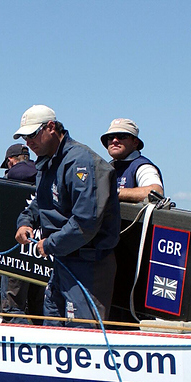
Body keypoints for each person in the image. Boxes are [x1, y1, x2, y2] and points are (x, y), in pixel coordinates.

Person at [13, 106, 120, 327]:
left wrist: (49, 244)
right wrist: (25, 221)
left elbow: (86, 222)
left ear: (51, 127)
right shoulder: (47, 161)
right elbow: (40, 201)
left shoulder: (81, 161)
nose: (28, 142)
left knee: (82, 333)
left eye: (32, 135)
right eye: (25, 137)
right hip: (63, 259)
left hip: (88, 263)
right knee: (53, 324)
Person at [0, 143, 43, 323]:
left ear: (11, 160)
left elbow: (20, 172)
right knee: (38, 307)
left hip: (17, 252)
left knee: (12, 307)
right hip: (40, 251)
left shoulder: (15, 174)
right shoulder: (42, 173)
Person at [100, 119, 164, 203]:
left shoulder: (143, 167)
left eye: (121, 136)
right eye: (110, 137)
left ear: (135, 142)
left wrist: (114, 192)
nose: (114, 140)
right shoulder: (106, 169)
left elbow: (156, 192)